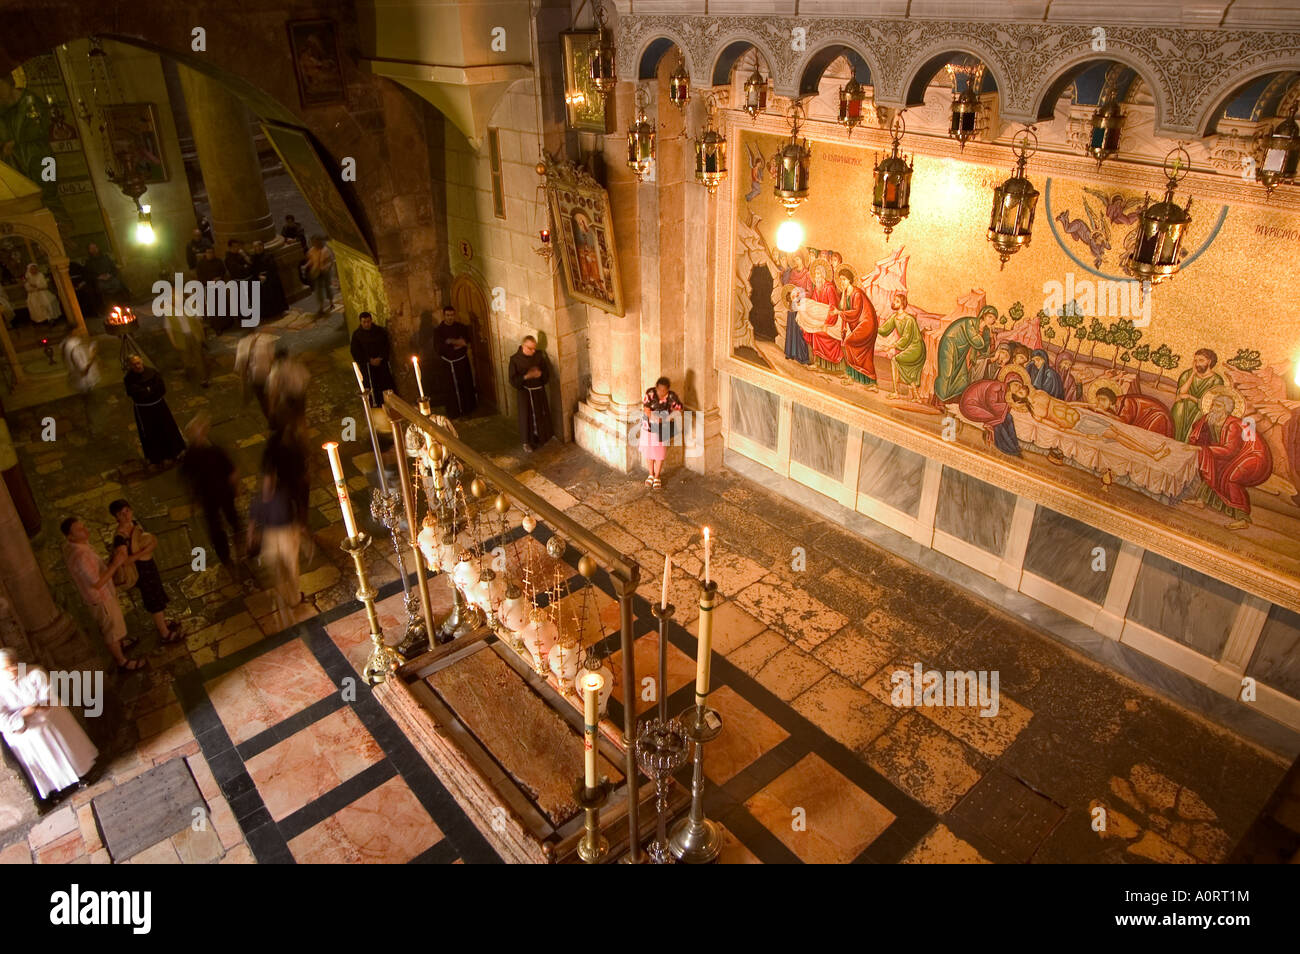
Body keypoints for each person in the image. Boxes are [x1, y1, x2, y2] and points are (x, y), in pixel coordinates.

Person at [0, 648, 99, 803]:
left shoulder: (34, 673)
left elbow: (47, 699)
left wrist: (35, 710)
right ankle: (53, 788)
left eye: (13, 664)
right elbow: (2, 719)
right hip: (22, 727)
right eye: (6, 668)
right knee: (35, 742)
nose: (12, 669)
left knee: (48, 731)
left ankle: (79, 774)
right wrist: (24, 714)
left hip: (46, 717)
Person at [60, 517, 142, 671]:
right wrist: (115, 564)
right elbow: (97, 583)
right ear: (70, 536)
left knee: (113, 624)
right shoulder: (81, 557)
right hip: (101, 598)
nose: (85, 530)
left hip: (100, 595)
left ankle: (120, 643)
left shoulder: (73, 545)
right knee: (110, 629)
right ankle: (122, 661)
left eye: (84, 526)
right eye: (79, 530)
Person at [1188, 389, 1273, 530]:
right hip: (1237, 456)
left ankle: (1243, 518)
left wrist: (1202, 449)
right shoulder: (1213, 420)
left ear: (1226, 410)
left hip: (1254, 456)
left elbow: (1229, 450)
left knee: (1231, 478)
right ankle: (1202, 500)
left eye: (1218, 406)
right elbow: (1203, 437)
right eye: (1213, 404)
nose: (1213, 408)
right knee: (1213, 465)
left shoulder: (1233, 425)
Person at [109, 499, 183, 645]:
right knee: (153, 599)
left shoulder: (133, 524)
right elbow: (123, 561)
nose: (126, 515)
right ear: (116, 517)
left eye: (127, 511)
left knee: (157, 594)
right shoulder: (120, 538)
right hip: (140, 571)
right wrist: (145, 551)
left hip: (148, 566)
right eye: (121, 514)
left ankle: (162, 623)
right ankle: (164, 633)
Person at [180, 414, 244, 575]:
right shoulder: (201, 453)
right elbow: (231, 471)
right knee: (220, 526)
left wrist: (235, 487)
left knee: (228, 520)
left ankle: (235, 547)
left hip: (219, 494)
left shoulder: (210, 452)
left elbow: (232, 471)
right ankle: (229, 555)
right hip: (212, 496)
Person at [250, 456, 305, 628]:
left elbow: (294, 510)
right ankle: (286, 595)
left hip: (287, 532)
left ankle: (293, 597)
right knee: (278, 567)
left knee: (291, 565)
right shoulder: (261, 498)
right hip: (273, 534)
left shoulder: (282, 493)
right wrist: (251, 536)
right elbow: (253, 519)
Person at [123, 354, 186, 467]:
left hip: (159, 406)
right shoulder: (129, 379)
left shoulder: (152, 372)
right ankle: (157, 457)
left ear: (142, 361)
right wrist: (150, 390)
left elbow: (161, 388)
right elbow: (137, 393)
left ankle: (175, 452)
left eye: (138, 363)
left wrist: (147, 390)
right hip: (144, 410)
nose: (137, 366)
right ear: (130, 366)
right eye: (134, 364)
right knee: (151, 433)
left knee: (168, 428)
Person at [934, 309, 998, 403]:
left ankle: (951, 400)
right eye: (990, 317)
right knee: (947, 373)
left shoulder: (986, 331)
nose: (991, 320)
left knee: (962, 376)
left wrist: (991, 337)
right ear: (983, 316)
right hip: (950, 344)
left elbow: (984, 351)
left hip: (961, 350)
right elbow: (977, 342)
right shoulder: (970, 323)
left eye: (994, 319)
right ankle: (939, 400)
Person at [959, 377, 1024, 456]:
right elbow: (991, 404)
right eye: (1016, 384)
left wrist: (1007, 405)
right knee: (998, 421)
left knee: (1009, 417)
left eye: (1019, 387)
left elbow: (1002, 410)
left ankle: (1014, 445)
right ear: (1010, 382)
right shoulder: (997, 386)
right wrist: (1007, 405)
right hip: (970, 406)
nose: (1017, 388)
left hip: (983, 407)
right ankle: (1006, 447)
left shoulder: (1007, 394)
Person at [878, 293, 926, 400]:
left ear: (902, 304)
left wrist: (891, 346)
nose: (894, 302)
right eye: (894, 300)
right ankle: (916, 395)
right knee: (901, 365)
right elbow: (883, 329)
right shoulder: (895, 317)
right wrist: (871, 326)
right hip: (908, 348)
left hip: (916, 348)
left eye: (897, 301)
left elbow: (906, 338)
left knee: (895, 360)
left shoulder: (909, 319)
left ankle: (896, 392)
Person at [509, 335, 552, 452]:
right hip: (525, 393)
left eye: (534, 348)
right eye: (530, 348)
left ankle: (542, 438)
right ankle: (526, 442)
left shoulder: (539, 356)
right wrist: (527, 376)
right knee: (526, 417)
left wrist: (541, 374)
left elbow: (546, 373)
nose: (534, 351)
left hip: (538, 391)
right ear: (523, 346)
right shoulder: (515, 359)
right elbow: (513, 381)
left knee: (540, 415)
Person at [639, 376, 683, 490]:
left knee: (659, 452)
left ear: (668, 390)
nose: (661, 392)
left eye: (664, 390)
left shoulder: (672, 397)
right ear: (656, 387)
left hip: (663, 427)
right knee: (649, 450)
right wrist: (655, 418)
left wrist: (668, 418)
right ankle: (650, 474)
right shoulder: (650, 393)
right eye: (659, 389)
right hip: (649, 426)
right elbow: (646, 409)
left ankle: (657, 476)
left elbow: (678, 409)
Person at [1172, 348, 1225, 442]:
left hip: (1202, 409)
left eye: (1201, 360)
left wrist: (1190, 397)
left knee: (1199, 415)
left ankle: (1188, 443)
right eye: (1195, 360)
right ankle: (1173, 439)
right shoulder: (1187, 374)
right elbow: (1181, 393)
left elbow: (1209, 403)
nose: (1197, 363)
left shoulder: (1216, 380)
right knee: (1179, 406)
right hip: (1185, 406)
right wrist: (1193, 374)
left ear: (1209, 362)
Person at [838, 271, 879, 389]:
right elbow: (843, 307)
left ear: (850, 280)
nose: (842, 282)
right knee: (861, 352)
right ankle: (853, 376)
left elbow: (855, 312)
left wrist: (840, 312)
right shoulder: (846, 293)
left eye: (844, 279)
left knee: (850, 343)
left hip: (867, 324)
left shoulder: (857, 294)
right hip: (859, 325)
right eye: (840, 280)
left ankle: (869, 381)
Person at [162, 286, 210, 387]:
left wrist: (202, 335)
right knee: (186, 359)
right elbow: (168, 328)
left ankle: (203, 379)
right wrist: (173, 342)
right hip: (181, 337)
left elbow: (198, 321)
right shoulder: (169, 312)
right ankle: (191, 375)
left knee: (199, 357)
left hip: (194, 335)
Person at [434, 305, 477, 417]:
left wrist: (451, 341)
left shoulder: (461, 327)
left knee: (465, 385)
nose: (450, 318)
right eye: (448, 315)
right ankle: (454, 412)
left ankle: (468, 410)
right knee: (451, 389)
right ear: (444, 316)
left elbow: (465, 343)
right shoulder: (438, 331)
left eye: (452, 315)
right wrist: (457, 344)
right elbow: (440, 348)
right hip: (448, 365)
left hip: (462, 363)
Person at [350, 311, 395, 408]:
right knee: (371, 386)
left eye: (368, 321)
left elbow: (386, 345)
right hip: (367, 366)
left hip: (381, 364)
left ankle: (389, 402)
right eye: (364, 322)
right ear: (361, 322)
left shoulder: (379, 331)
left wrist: (380, 357)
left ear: (371, 321)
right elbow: (355, 351)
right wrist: (369, 360)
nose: (366, 324)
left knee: (385, 383)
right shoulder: (357, 335)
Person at [1092, 387, 1174, 436]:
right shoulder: (1113, 407)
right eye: (1099, 400)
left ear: (1110, 400)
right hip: (1143, 419)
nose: (1100, 403)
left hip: (1156, 416)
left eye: (1103, 400)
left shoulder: (1126, 403)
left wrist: (1104, 412)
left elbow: (1123, 422)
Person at [61, 330, 100, 432]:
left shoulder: (66, 344)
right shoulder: (75, 348)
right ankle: (93, 427)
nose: (81, 333)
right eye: (79, 331)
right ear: (73, 332)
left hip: (77, 380)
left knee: (88, 403)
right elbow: (84, 370)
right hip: (84, 382)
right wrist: (92, 355)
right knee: (90, 404)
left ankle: (91, 424)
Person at [266, 345, 311, 433]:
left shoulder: (276, 370)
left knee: (289, 419)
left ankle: (293, 435)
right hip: (301, 395)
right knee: (301, 417)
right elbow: (306, 377)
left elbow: (273, 392)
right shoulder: (296, 364)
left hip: (288, 397)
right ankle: (303, 434)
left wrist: (272, 409)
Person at [235, 327, 277, 418]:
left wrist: (244, 389)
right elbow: (272, 360)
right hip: (269, 375)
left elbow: (241, 369)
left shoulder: (241, 344)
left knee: (263, 401)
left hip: (256, 378)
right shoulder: (266, 338)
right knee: (272, 399)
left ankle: (271, 419)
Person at [84, 243, 130, 308]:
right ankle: (109, 306)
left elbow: (113, 268)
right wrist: (98, 277)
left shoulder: (106, 257)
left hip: (110, 277)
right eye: (92, 248)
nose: (94, 250)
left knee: (117, 284)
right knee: (102, 287)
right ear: (89, 250)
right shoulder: (88, 262)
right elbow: (88, 274)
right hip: (99, 280)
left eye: (95, 247)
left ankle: (121, 303)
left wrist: (110, 274)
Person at [249, 240, 287, 319]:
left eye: (259, 246)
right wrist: (258, 276)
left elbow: (273, 266)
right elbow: (252, 269)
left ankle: (279, 311)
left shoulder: (268, 255)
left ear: (262, 247)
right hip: (259, 278)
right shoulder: (253, 258)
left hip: (270, 277)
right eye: (255, 247)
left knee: (274, 293)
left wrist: (266, 276)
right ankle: (268, 314)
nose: (258, 248)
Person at [305, 236, 334, 315]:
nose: (315, 244)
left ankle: (331, 302)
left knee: (327, 287)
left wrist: (326, 268)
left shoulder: (326, 251)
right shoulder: (311, 251)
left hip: (325, 272)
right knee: (318, 289)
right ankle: (321, 307)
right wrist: (307, 265)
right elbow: (311, 260)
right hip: (317, 272)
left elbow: (330, 261)